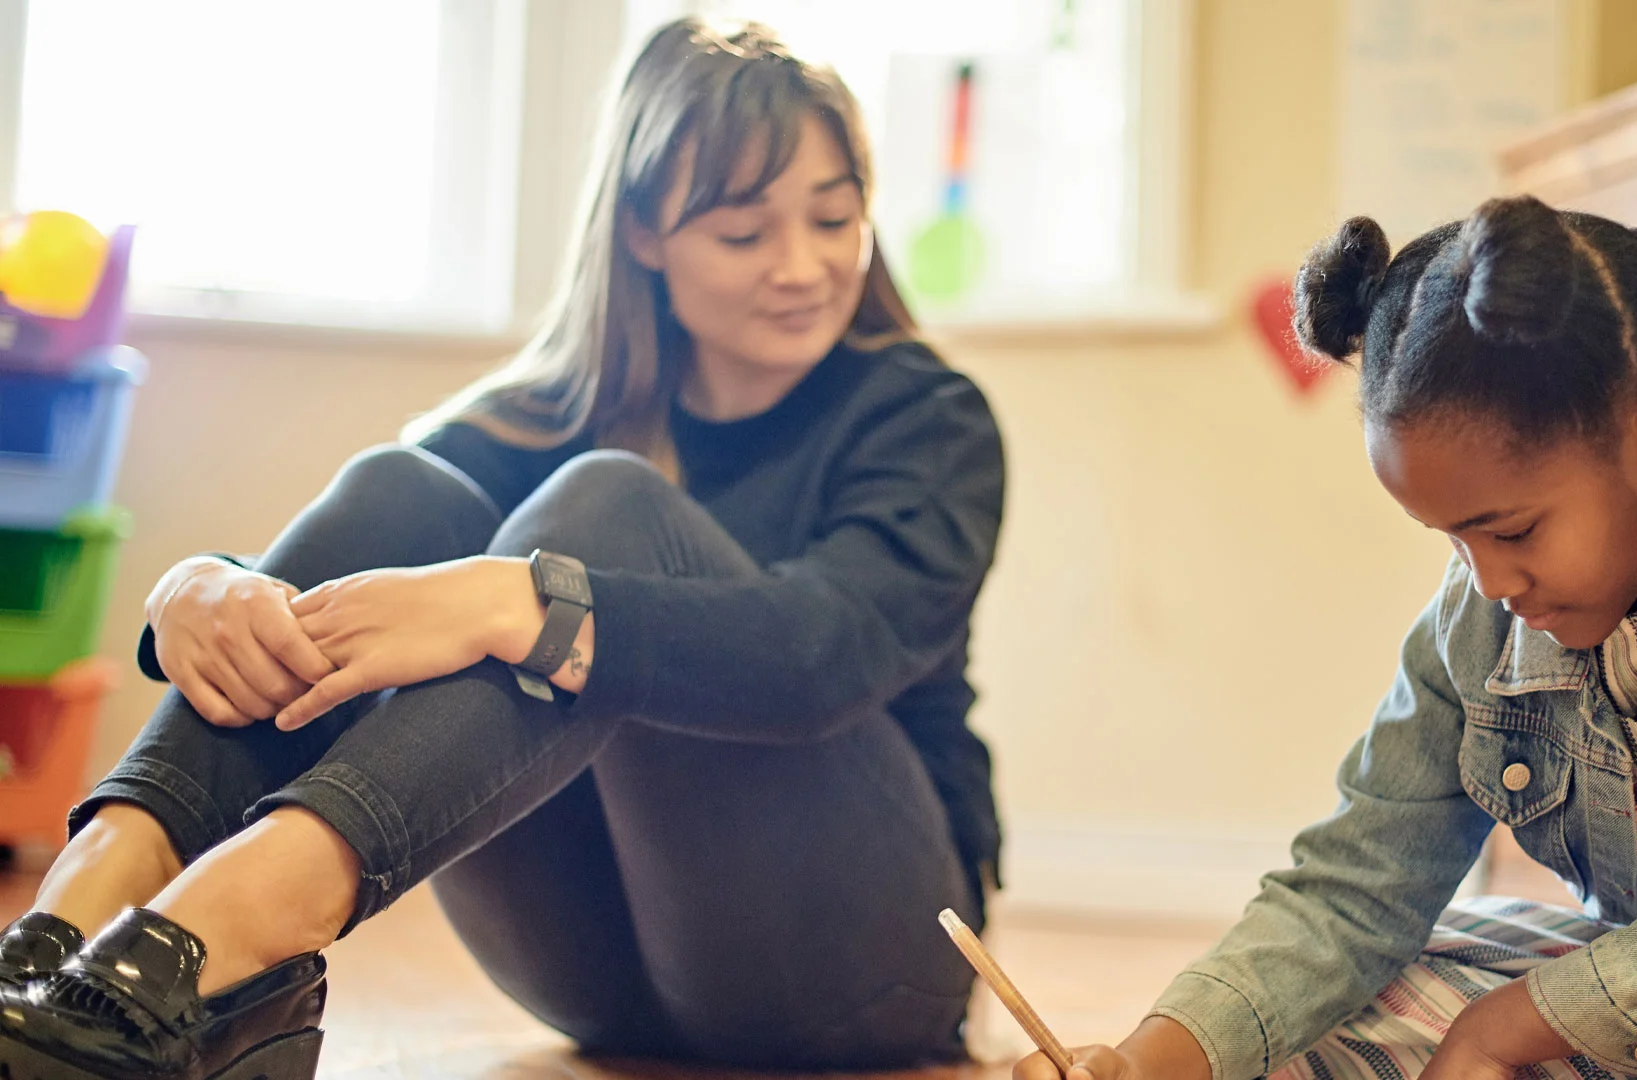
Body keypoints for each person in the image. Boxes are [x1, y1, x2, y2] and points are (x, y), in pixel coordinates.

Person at [0, 17, 1004, 1080]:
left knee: (607, 512)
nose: (803, 267)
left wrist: (519, 606)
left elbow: (823, 652)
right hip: (590, 968)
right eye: (745, 233)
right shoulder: (546, 413)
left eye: (836, 219)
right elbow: (362, 548)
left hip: (859, 966)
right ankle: (75, 914)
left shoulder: (926, 419)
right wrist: (199, 587)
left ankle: (241, 919)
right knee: (407, 490)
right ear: (642, 233)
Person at [1013, 196, 1637, 1080]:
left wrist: (1505, 1030)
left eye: (1512, 531)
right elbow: (1355, 889)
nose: (1488, 582)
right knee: (1335, 1001)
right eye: (1452, 540)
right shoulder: (1482, 615)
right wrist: (1150, 1058)